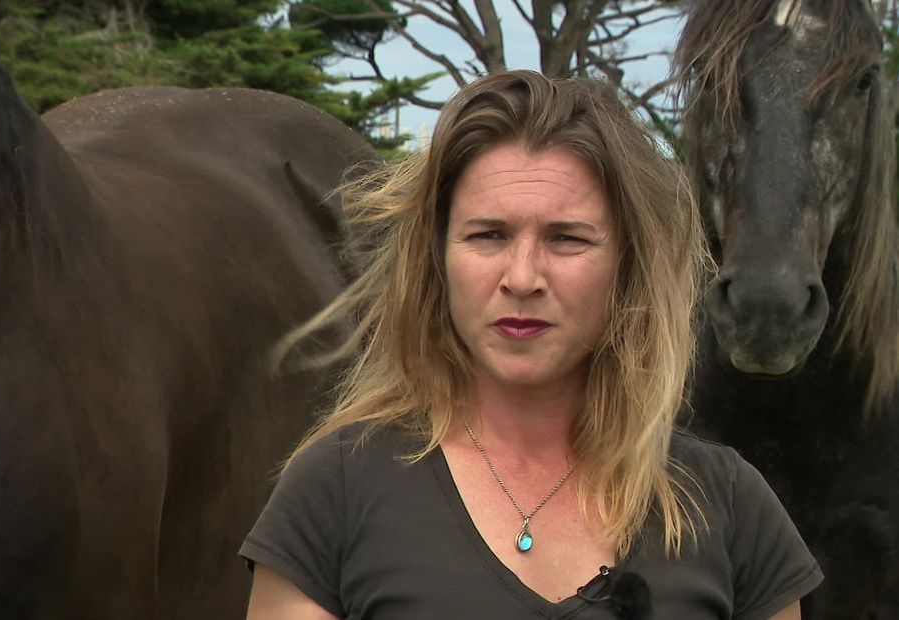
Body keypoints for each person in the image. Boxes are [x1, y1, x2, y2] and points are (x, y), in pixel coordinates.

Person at [240, 70, 822, 619]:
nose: (522, 277)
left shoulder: (729, 504)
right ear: (438, 259)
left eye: (566, 239)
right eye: (488, 235)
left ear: (628, 265)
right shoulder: (335, 490)